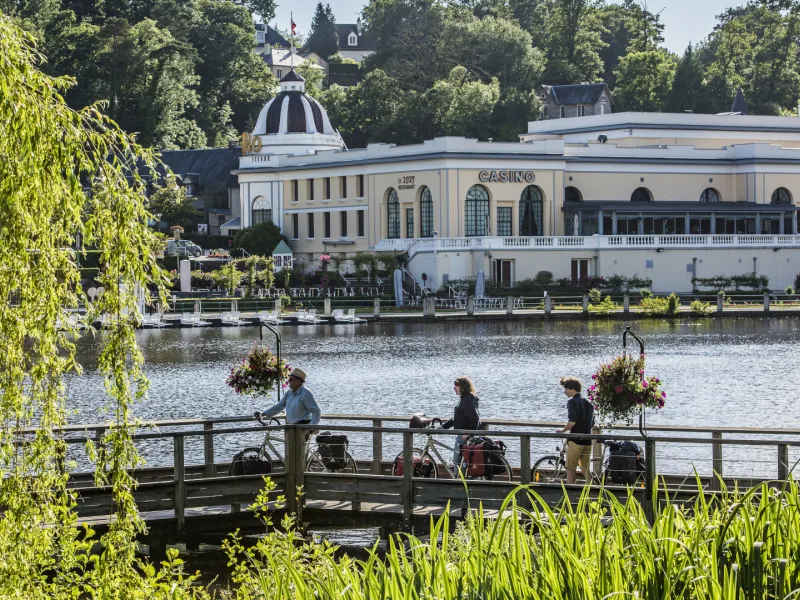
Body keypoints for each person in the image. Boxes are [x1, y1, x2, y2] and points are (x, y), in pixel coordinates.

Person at [255, 368, 321, 431]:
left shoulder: (306, 393)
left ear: (298, 381)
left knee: (298, 443)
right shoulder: (289, 392)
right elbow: (279, 406)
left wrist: (311, 427)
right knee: (288, 443)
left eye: (291, 379)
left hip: (302, 427)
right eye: (289, 378)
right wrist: (263, 414)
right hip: (291, 427)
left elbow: (316, 411)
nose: (288, 381)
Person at [442, 376, 481, 475]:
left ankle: (461, 485)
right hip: (461, 435)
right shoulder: (464, 399)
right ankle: (462, 482)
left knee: (457, 464)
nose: (454, 388)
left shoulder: (467, 400)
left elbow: (475, 419)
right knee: (460, 464)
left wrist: (468, 433)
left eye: (456, 386)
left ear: (463, 387)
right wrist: (442, 427)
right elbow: (456, 418)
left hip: (463, 437)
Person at [559, 376, 595, 484]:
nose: (565, 392)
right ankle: (594, 492)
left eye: (566, 389)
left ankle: (568, 496)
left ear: (572, 389)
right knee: (585, 469)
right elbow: (592, 423)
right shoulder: (588, 403)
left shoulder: (572, 402)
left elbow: (572, 422)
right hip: (587, 440)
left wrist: (562, 431)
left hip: (575, 440)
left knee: (571, 469)